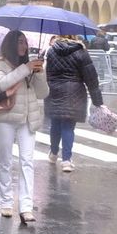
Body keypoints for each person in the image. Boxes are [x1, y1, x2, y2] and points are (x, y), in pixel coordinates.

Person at [0, 31, 49, 222]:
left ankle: (26, 207)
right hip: (6, 117)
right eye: (19, 42)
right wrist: (25, 68)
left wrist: (40, 74)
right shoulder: (0, 64)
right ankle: (6, 202)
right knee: (5, 160)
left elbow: (42, 93)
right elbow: (2, 84)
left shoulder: (31, 65)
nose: (24, 46)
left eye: (25, 42)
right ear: (10, 44)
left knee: (27, 161)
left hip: (27, 119)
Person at [45, 33, 104, 173]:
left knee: (55, 124)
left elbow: (45, 72)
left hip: (54, 91)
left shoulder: (51, 50)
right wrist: (97, 101)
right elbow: (91, 77)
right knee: (68, 127)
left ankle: (53, 153)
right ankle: (66, 160)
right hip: (74, 92)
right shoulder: (81, 52)